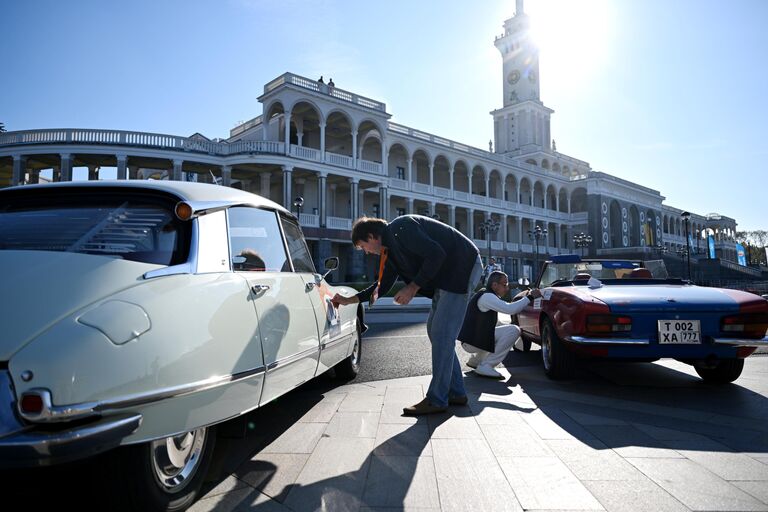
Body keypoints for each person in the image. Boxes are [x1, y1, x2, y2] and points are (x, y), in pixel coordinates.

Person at [331, 215, 482, 415]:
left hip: (462, 268)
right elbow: (382, 285)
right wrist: (351, 300)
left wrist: (412, 287)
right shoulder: (391, 250)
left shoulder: (402, 228)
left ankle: (437, 399)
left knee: (442, 334)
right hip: (448, 277)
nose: (366, 253)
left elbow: (436, 254)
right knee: (435, 332)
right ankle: (456, 391)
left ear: (371, 236)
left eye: (363, 246)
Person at [457, 271, 541, 378]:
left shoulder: (485, 294)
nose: (507, 288)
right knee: (514, 330)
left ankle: (476, 360)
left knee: (502, 331)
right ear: (495, 285)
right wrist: (530, 297)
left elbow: (494, 324)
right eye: (504, 284)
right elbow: (510, 309)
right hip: (472, 342)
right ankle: (486, 365)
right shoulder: (487, 297)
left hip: (471, 340)